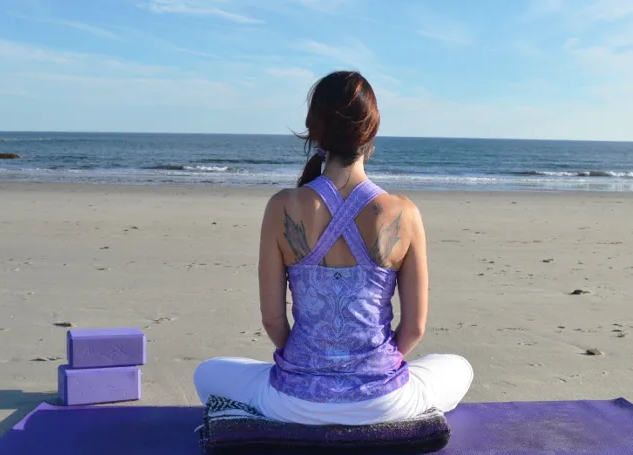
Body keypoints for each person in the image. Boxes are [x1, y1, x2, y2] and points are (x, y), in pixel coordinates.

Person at [193, 70, 473, 425]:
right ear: (370, 132)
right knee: (459, 367)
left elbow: (272, 319)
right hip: (384, 402)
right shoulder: (404, 212)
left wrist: (313, 369)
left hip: (294, 402)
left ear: (315, 130)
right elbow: (414, 330)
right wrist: (367, 373)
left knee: (207, 373)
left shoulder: (282, 206)